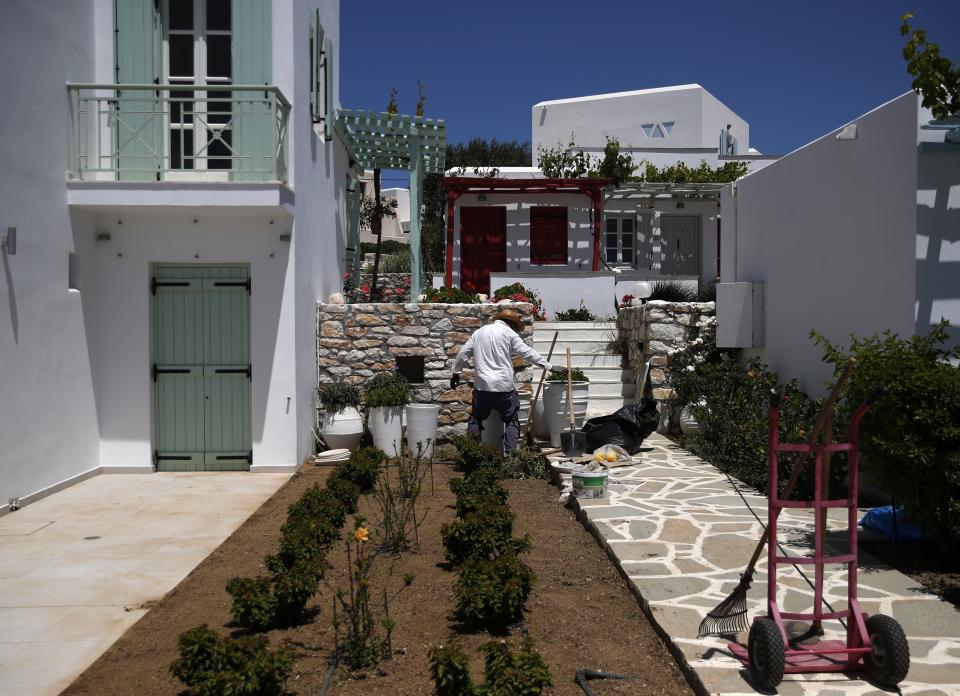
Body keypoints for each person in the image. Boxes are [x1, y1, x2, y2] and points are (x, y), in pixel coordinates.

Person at [450, 308, 566, 453]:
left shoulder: (480, 332)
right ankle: (510, 457)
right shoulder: (509, 334)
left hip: (482, 387)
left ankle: (470, 453)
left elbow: (463, 353)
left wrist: (456, 372)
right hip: (503, 388)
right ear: (511, 324)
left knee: (476, 419)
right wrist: (549, 366)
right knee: (511, 421)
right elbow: (527, 353)